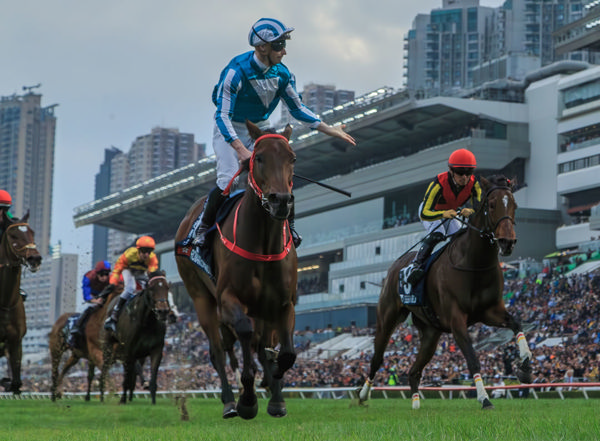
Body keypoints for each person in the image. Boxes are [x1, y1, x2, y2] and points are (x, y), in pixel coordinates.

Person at [193, 17, 356, 249]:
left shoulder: (283, 74)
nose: (284, 51)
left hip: (260, 126)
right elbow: (222, 116)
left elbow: (298, 109)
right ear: (262, 47)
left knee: (280, 172)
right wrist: (240, 149)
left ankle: (289, 225)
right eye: (279, 45)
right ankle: (202, 227)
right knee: (228, 178)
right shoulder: (235, 72)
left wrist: (329, 129)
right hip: (230, 127)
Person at [406, 149, 482, 285]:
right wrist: (443, 214)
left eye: (468, 173)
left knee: (460, 237)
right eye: (460, 173)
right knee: (438, 234)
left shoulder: (474, 184)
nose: (464, 177)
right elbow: (425, 212)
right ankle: (415, 265)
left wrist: (469, 211)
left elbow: (479, 207)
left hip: (451, 213)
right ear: (451, 171)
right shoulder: (438, 183)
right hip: (432, 212)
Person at [104, 236, 159, 332]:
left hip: (141, 273)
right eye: (144, 251)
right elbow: (117, 269)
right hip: (128, 270)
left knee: (147, 289)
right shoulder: (129, 254)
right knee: (130, 288)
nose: (146, 254)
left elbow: (152, 274)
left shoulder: (152, 258)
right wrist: (113, 282)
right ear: (138, 250)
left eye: (149, 252)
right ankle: (114, 315)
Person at [68, 260, 112, 347]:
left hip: (104, 295)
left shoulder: (111, 279)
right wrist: (95, 301)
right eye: (102, 274)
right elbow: (86, 296)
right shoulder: (88, 277)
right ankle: (76, 329)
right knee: (90, 307)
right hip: (92, 296)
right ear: (96, 273)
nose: (104, 277)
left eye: (106, 274)